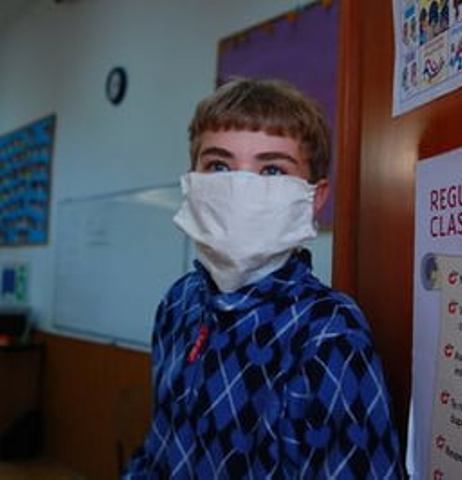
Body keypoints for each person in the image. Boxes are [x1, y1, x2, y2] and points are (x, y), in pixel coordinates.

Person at [123, 78, 403, 479]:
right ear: (192, 181)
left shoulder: (328, 333)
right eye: (219, 166)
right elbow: (160, 448)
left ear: (314, 197)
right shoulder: (178, 303)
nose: (240, 188)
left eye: (272, 169)